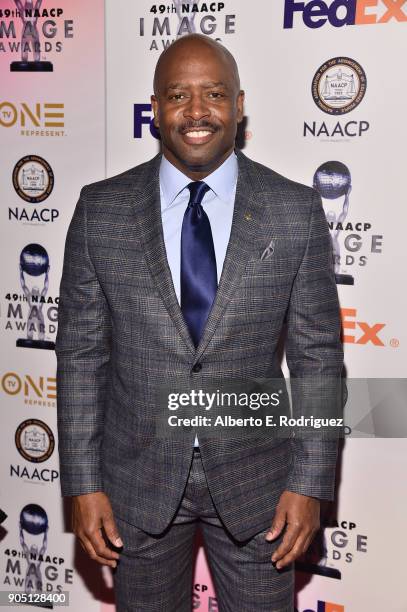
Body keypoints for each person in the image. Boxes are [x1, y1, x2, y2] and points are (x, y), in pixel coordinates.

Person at [56, 34, 343, 612]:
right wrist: (83, 484)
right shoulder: (100, 210)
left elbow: (318, 357)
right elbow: (82, 357)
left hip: (259, 484)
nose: (196, 112)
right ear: (155, 108)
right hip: (137, 485)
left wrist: (310, 482)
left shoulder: (294, 210)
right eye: (178, 96)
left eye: (214, 94)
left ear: (239, 106)